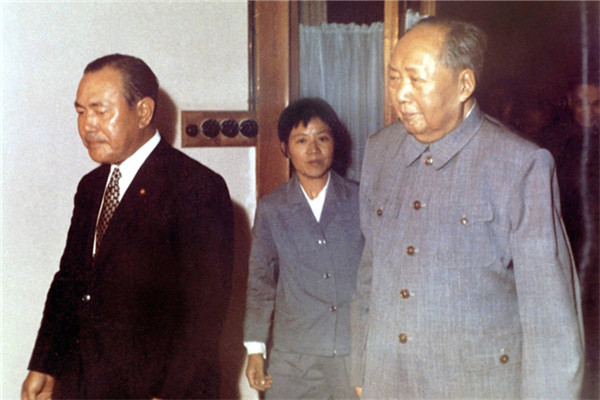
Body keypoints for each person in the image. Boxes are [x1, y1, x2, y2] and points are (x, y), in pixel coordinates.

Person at [351, 17, 584, 399]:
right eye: (394, 78)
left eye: (416, 79)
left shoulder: (519, 165)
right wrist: (362, 368)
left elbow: (550, 317)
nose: (401, 94)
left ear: (464, 84)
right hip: (388, 383)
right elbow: (369, 271)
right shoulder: (380, 151)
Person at [21, 54, 234, 399]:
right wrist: (45, 364)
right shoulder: (91, 187)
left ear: (144, 112)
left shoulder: (196, 187)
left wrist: (168, 395)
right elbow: (70, 281)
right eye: (81, 112)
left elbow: (204, 314)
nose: (87, 125)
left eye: (100, 111)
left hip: (154, 389)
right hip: (84, 384)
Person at [244, 97, 363, 399]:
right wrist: (256, 349)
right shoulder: (272, 208)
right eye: (301, 140)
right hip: (293, 359)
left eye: (322, 138)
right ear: (285, 148)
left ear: (335, 143)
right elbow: (260, 281)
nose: (313, 150)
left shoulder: (361, 200)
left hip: (352, 354)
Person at [548, 78, 599, 399]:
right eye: (581, 103)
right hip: (569, 248)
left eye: (596, 104)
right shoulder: (554, 143)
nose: (588, 111)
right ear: (570, 102)